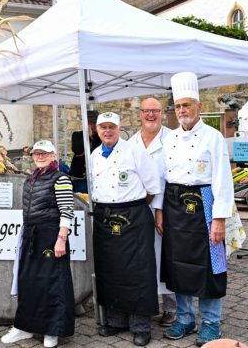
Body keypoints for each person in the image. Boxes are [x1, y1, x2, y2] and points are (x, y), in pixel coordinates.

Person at [161, 72, 234, 346]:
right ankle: (185, 319)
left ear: (199, 107)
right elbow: (161, 177)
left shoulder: (213, 137)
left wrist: (219, 219)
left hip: (205, 203)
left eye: (187, 105)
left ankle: (211, 323)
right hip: (174, 204)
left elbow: (222, 180)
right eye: (178, 106)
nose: (182, 111)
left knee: (210, 267)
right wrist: (159, 212)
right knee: (178, 266)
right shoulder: (169, 138)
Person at [90, 112, 161, 346]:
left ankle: (140, 325)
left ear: (119, 128)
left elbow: (153, 186)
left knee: (137, 271)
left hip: (133, 216)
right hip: (104, 217)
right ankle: (116, 320)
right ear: (97, 130)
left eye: (111, 127)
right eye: (103, 128)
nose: (107, 131)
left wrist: (134, 209)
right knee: (110, 269)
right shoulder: (94, 155)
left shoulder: (134, 151)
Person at [1, 140, 75, 348]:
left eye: (45, 153)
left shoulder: (60, 179)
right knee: (28, 281)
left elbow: (67, 211)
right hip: (31, 234)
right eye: (37, 153)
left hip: (51, 234)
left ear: (54, 155)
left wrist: (61, 239)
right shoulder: (31, 179)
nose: (40, 156)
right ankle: (24, 326)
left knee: (52, 282)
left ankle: (52, 331)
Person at [128, 98, 177, 327]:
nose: (150, 115)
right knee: (142, 259)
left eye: (155, 111)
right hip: (138, 209)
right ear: (140, 114)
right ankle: (144, 306)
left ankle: (171, 308)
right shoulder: (132, 142)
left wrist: (160, 211)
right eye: (146, 111)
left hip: (166, 207)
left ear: (161, 113)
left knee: (165, 257)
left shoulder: (173, 139)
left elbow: (170, 179)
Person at [68, 110, 101, 193]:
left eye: (94, 123)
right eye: (90, 123)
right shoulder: (77, 135)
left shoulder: (101, 137)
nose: (93, 125)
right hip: (80, 177)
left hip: (97, 176)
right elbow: (78, 150)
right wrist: (87, 136)